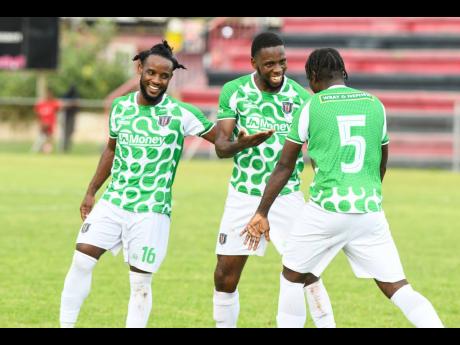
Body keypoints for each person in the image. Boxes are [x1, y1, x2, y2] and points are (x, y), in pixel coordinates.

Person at [242, 48, 444, 328]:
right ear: (343, 73)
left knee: (292, 277)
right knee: (398, 288)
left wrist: (262, 211)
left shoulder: (312, 106)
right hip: (368, 212)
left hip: (325, 209)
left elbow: (284, 166)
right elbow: (381, 163)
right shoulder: (375, 104)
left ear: (313, 77)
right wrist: (365, 193)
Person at [59, 41, 216, 328]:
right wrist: (91, 191)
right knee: (81, 259)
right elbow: (110, 149)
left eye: (164, 76)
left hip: (151, 209)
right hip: (114, 200)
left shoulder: (181, 113)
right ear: (140, 69)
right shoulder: (120, 107)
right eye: (152, 73)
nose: (157, 80)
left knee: (140, 283)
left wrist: (243, 141)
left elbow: (223, 142)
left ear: (170, 77)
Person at [213, 32, 336, 328]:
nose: (278, 69)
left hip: (287, 196)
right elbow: (221, 147)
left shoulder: (300, 97)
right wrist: (245, 143)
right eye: (269, 64)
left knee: (307, 274)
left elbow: (317, 150)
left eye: (282, 61)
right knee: (224, 276)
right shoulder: (234, 90)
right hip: (243, 194)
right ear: (253, 62)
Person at [32, 88, 61, 153]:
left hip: (51, 124)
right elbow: (37, 112)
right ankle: (38, 149)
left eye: (50, 94)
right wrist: (40, 122)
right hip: (43, 124)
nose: (48, 95)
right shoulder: (41, 104)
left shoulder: (54, 103)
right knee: (42, 136)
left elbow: (58, 109)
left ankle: (46, 151)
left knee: (49, 138)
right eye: (47, 94)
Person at [62, 85, 80, 152]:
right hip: (66, 117)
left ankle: (67, 147)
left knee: (70, 132)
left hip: (72, 116)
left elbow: (77, 104)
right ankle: (64, 147)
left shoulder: (75, 96)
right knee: (65, 133)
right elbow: (63, 104)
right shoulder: (67, 96)